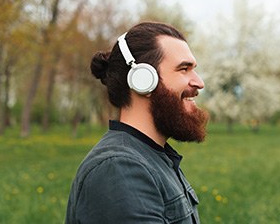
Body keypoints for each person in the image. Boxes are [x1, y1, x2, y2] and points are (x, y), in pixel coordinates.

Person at [65, 22, 209, 224]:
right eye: (184, 69)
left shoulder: (153, 157)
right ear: (143, 79)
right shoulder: (120, 169)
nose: (199, 82)